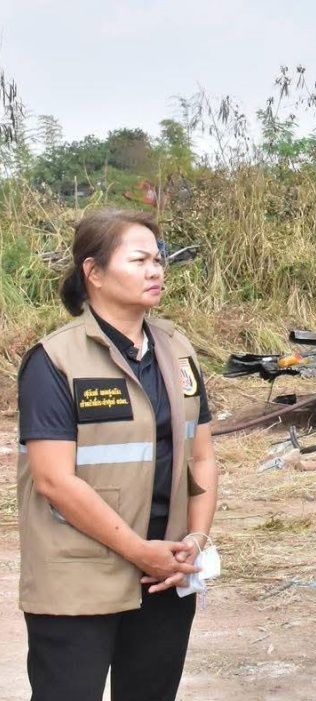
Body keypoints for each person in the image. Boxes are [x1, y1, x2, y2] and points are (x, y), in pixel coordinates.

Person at [16, 209, 219, 701]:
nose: (156, 270)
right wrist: (138, 551)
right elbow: (53, 482)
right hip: (77, 580)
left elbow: (202, 456)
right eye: (140, 259)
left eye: (159, 259)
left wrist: (195, 538)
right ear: (95, 273)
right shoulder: (55, 360)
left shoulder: (177, 350)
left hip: (166, 575)